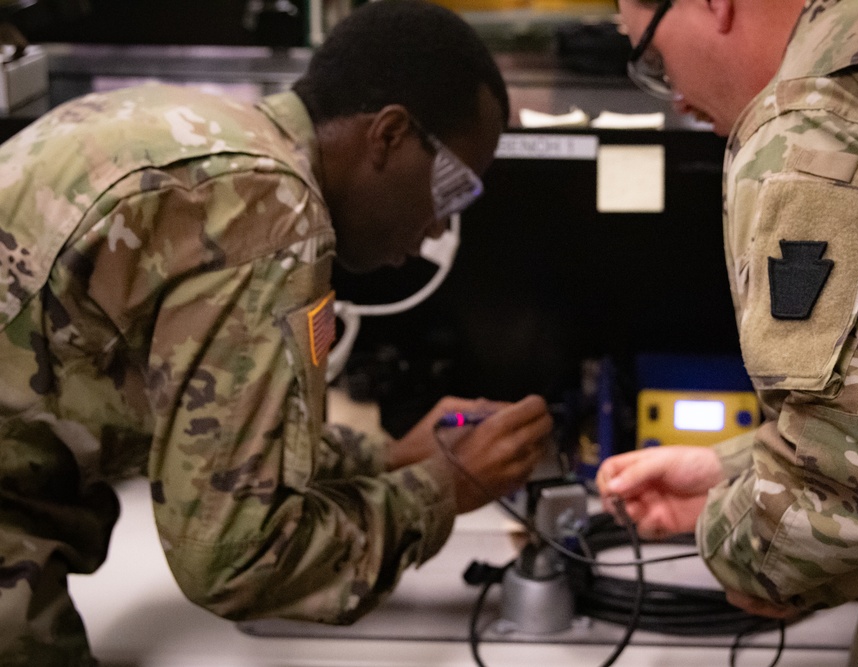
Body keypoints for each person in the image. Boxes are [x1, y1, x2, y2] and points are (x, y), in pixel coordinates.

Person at [0, 1, 553, 664]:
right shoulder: (270, 209)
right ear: (389, 135)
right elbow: (238, 559)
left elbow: (213, 431)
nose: (441, 225)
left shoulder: (195, 129)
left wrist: (386, 456)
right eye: (453, 188)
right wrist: (442, 491)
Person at [597, 0, 858, 665]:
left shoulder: (817, 118)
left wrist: (745, 552)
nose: (677, 100)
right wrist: (727, 468)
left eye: (652, 56)